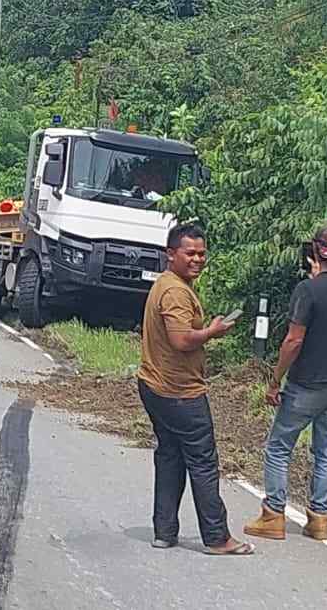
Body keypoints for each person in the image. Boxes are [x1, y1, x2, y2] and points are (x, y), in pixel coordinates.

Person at [137, 223, 251, 555]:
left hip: (154, 386)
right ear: (170, 254)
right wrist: (211, 332)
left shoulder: (169, 284)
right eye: (190, 253)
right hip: (179, 392)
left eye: (202, 253)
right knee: (202, 462)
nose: (198, 259)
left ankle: (164, 531)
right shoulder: (174, 292)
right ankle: (217, 538)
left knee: (170, 457)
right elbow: (181, 339)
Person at [244, 223, 327, 542]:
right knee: (325, 451)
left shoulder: (307, 291)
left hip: (306, 384)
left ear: (315, 251)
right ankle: (319, 519)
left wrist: (274, 380)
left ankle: (273, 514)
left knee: (278, 447)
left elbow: (294, 340)